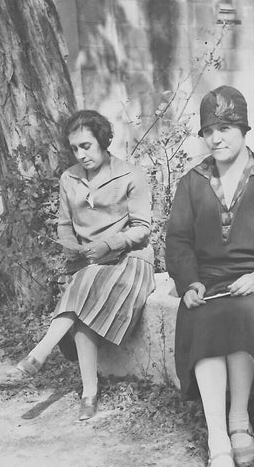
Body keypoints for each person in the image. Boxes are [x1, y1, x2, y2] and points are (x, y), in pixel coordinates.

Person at [165, 86, 254, 467]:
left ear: (243, 129)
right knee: (206, 314)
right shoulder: (192, 183)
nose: (216, 138)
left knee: (243, 312)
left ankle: (239, 419)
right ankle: (217, 440)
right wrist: (188, 281)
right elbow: (178, 241)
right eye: (209, 130)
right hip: (207, 280)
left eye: (225, 127)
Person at [12, 109, 155, 420]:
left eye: (86, 146)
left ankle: (41, 352)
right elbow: (64, 225)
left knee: (85, 287)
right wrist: (72, 249)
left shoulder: (131, 175)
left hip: (130, 260)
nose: (81, 154)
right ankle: (89, 392)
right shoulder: (69, 178)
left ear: (103, 141)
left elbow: (142, 227)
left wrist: (109, 244)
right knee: (85, 288)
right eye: (75, 148)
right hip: (90, 262)